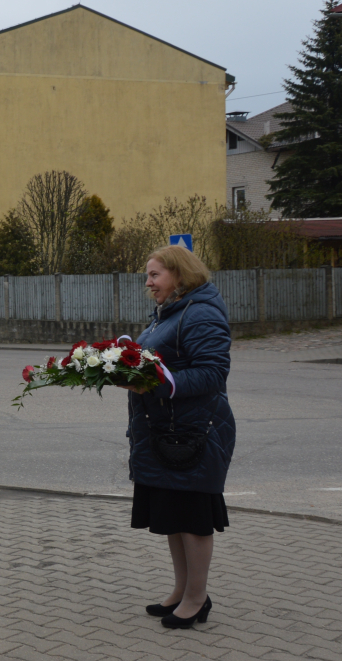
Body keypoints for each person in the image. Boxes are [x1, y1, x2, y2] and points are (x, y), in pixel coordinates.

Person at [122, 245, 235, 629]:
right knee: (174, 517)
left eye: (155, 275)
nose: (149, 283)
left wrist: (156, 384)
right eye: (148, 276)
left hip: (194, 434)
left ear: (180, 275)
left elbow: (213, 372)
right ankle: (182, 590)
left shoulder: (200, 313)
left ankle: (197, 598)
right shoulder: (169, 312)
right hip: (167, 432)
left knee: (192, 519)